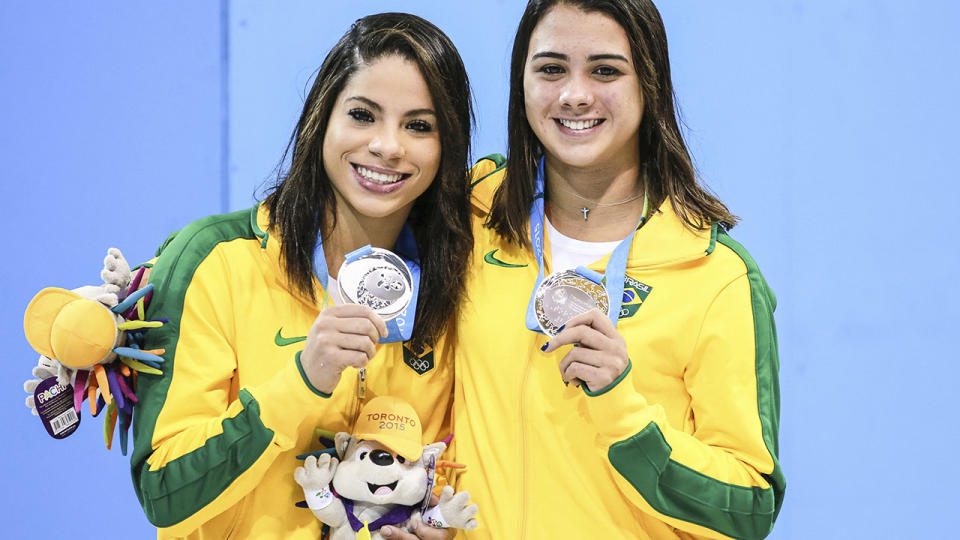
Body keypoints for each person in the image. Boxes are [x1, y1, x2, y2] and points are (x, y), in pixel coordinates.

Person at [129, 13, 473, 539]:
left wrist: (436, 525)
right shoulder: (213, 259)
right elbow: (163, 492)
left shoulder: (453, 279)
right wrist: (302, 381)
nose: (388, 146)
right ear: (322, 118)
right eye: (363, 115)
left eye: (419, 125)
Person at [452, 1, 785, 538]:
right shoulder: (473, 216)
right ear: (522, 83)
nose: (575, 94)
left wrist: (624, 412)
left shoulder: (715, 277)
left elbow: (747, 507)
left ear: (648, 83)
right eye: (551, 68)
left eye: (605, 69)